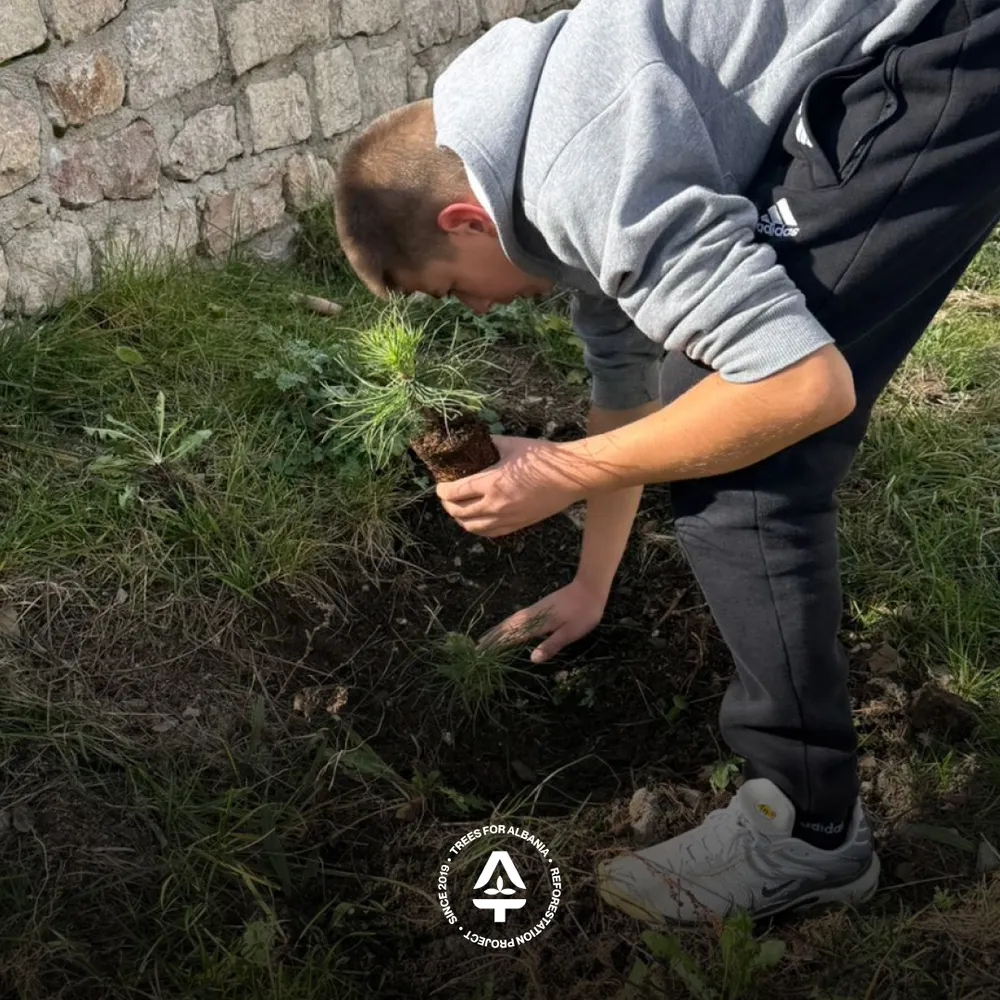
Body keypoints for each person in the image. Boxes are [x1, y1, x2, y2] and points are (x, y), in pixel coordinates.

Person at [332, 0, 1000, 924]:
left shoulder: (584, 174)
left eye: (453, 293)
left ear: (464, 220)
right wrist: (590, 583)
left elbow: (801, 389)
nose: (478, 314)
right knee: (702, 398)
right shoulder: (531, 150)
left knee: (742, 467)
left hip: (950, 37)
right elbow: (628, 396)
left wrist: (553, 473)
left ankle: (805, 830)